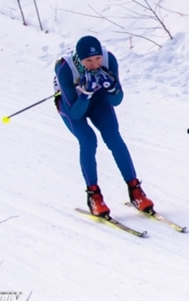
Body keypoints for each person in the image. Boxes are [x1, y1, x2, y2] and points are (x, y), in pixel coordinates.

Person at [54, 35, 154, 217]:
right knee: (88, 140)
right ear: (80, 59)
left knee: (113, 137)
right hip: (72, 105)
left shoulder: (109, 60)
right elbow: (75, 113)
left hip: (98, 100)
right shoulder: (65, 68)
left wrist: (112, 88)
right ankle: (94, 196)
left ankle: (135, 190)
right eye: (89, 61)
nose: (95, 64)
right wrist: (85, 93)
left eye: (98, 58)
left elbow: (117, 101)